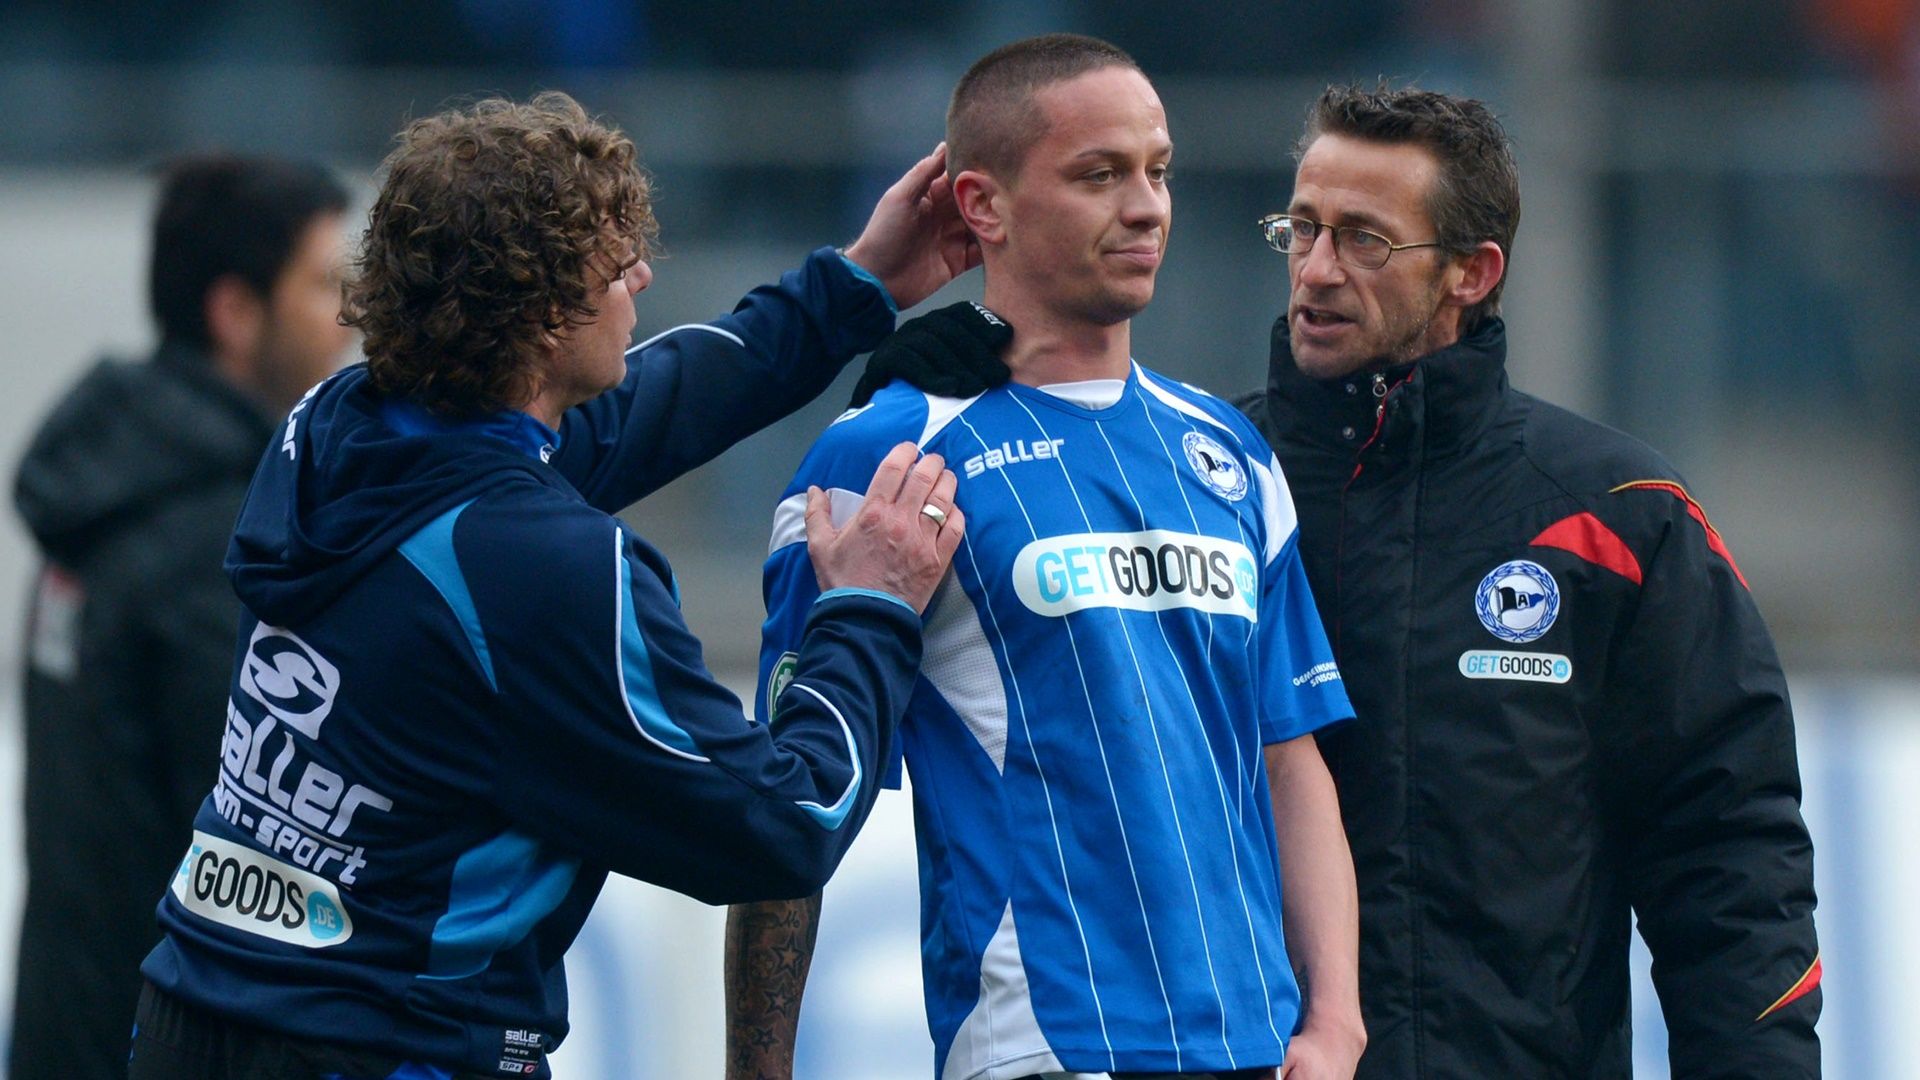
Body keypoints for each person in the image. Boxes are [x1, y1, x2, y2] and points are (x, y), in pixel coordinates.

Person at [874, 81, 1824, 1079]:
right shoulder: (1198, 484)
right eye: (1303, 228)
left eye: (1365, 240)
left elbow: (1729, 853)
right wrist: (928, 394)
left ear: (1472, 272)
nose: (1317, 270)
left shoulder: (1618, 514)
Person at [127, 90, 975, 1079]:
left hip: (191, 1008)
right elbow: (785, 825)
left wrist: (857, 285)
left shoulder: (334, 429)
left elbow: (633, 414)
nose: (643, 281)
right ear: (541, 315)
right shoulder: (545, 568)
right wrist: (867, 610)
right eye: (618, 270)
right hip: (383, 1046)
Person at [727, 35, 1364, 1080]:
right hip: (1041, 1048)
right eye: (1099, 174)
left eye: (1159, 170)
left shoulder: (1230, 454)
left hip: (1256, 1051)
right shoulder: (884, 457)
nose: (1148, 206)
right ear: (983, 206)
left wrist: (1334, 1021)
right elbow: (783, 805)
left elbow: (1289, 760)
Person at [11, 154, 352, 1080]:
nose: (349, 318)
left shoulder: (101, 497)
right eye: (324, 284)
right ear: (235, 312)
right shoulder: (223, 542)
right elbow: (269, 838)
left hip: (61, 1029)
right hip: (159, 1047)